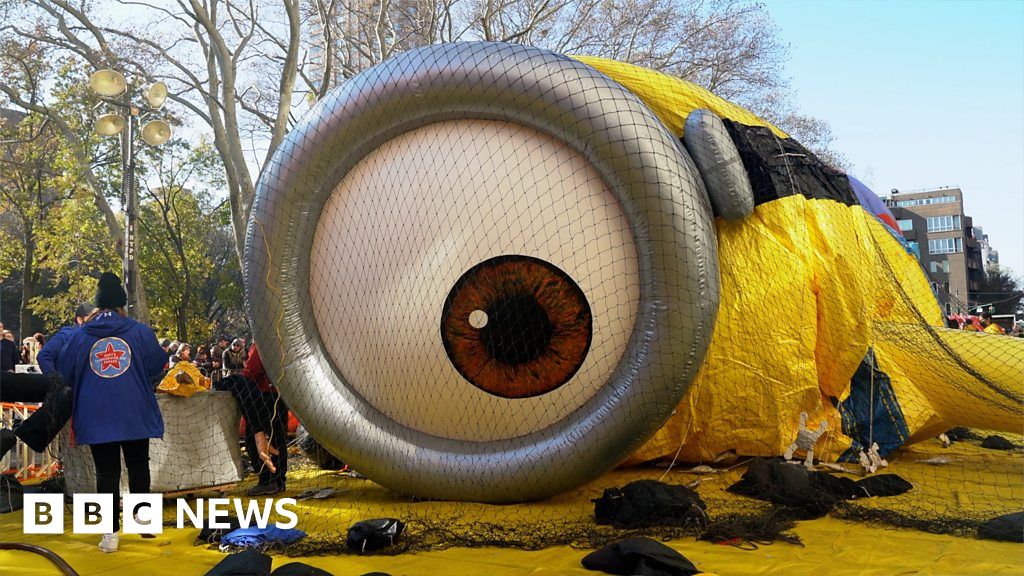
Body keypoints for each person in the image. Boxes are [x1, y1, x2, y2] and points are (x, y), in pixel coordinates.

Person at [57, 273, 167, 553]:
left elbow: (65, 372)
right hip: (134, 410)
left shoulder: (80, 335)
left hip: (96, 414)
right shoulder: (139, 331)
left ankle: (110, 534)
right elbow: (157, 364)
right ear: (121, 305)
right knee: (139, 464)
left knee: (106, 473)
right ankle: (144, 522)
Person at [0, 303, 93, 459]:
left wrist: (56, 383)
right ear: (80, 319)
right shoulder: (69, 334)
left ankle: (28, 433)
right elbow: (45, 355)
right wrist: (56, 377)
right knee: (64, 388)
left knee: (65, 390)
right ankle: (29, 433)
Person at [239, 343, 288, 496]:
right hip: (280, 395)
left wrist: (242, 382)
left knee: (255, 438)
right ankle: (278, 480)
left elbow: (252, 369)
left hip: (263, 396)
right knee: (278, 437)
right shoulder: (283, 340)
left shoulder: (263, 342)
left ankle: (268, 480)